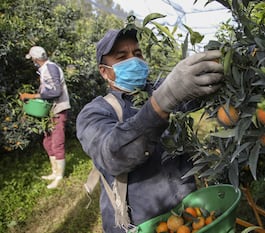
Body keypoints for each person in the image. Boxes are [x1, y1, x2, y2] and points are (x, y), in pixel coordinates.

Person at [76, 28, 224, 232]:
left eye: (137, 54)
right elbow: (113, 155)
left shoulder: (157, 90)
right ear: (104, 71)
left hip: (185, 215)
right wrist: (161, 103)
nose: (134, 60)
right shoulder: (95, 112)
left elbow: (195, 95)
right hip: (139, 223)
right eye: (122, 57)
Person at [20, 46, 71, 189]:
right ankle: (55, 172)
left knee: (57, 142)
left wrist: (32, 96)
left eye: (33, 60)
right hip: (49, 111)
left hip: (58, 110)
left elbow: (55, 91)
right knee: (47, 141)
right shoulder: (44, 70)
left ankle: (59, 176)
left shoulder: (50, 68)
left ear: (35, 59)